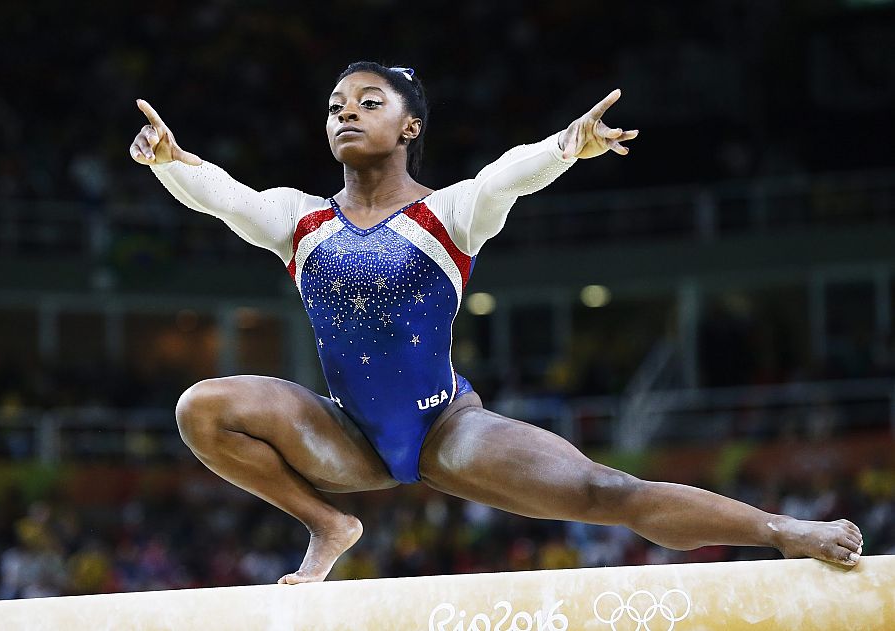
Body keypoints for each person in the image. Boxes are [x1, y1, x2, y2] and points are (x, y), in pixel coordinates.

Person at [129, 61, 862, 585]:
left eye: (368, 101)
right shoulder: (301, 220)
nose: (345, 112)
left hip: (448, 427)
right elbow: (224, 196)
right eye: (335, 105)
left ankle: (780, 531)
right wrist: (168, 163)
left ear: (410, 124)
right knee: (204, 407)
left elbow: (507, 174)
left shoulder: (447, 214)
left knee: (606, 491)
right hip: (344, 432)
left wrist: (567, 147)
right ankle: (328, 523)